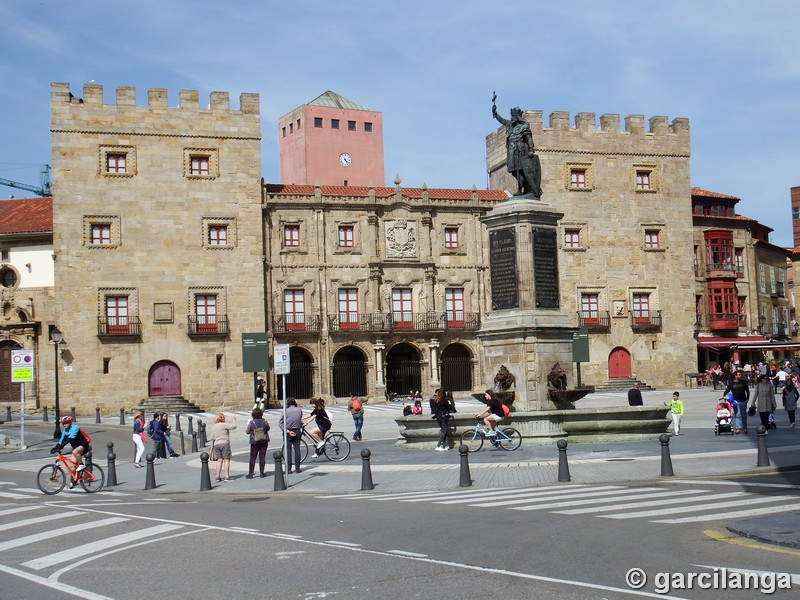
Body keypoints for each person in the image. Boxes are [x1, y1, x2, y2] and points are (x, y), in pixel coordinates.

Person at [491, 93, 542, 197]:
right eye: (511, 116)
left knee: (522, 171)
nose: (512, 118)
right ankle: (522, 189)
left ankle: (521, 189)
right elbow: (501, 120)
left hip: (521, 150)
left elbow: (529, 139)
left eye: (514, 116)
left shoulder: (523, 127)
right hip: (512, 151)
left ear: (517, 117)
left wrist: (531, 150)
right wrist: (495, 113)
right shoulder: (510, 125)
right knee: (514, 171)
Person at [51, 416, 92, 488]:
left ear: (70, 422)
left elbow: (71, 438)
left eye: (66, 423)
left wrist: (63, 445)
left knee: (75, 452)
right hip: (76, 448)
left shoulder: (75, 428)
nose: (64, 425)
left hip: (83, 445)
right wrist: (56, 447)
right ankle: (74, 481)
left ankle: (81, 464)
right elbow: (61, 441)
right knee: (72, 466)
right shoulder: (65, 431)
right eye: (63, 424)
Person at [279, 397, 303, 474]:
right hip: (297, 430)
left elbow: (280, 422)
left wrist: (286, 430)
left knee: (288, 451)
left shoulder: (285, 410)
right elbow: (300, 419)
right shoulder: (299, 409)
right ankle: (297, 468)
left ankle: (289, 469)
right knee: (297, 450)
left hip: (288, 431)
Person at [211, 412, 237, 482]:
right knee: (226, 460)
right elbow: (234, 427)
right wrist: (234, 420)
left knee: (219, 461)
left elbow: (212, 437)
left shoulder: (214, 426)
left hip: (216, 445)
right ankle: (226, 477)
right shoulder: (224, 425)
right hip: (224, 444)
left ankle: (217, 476)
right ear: (222, 419)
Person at [245, 408, 270, 478]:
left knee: (252, 457)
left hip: (254, 441)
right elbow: (268, 428)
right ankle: (262, 472)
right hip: (264, 440)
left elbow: (247, 431)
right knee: (262, 456)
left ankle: (251, 473)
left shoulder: (251, 422)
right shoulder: (264, 421)